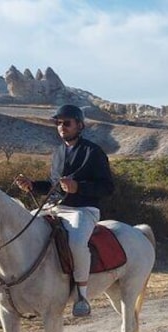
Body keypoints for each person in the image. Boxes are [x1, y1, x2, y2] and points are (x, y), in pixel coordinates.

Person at [14, 104, 114, 317]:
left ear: (80, 125)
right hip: (56, 207)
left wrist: (79, 187)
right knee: (25, 226)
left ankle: (82, 295)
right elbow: (54, 185)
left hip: (83, 210)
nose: (62, 127)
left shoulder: (93, 152)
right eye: (58, 123)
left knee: (76, 243)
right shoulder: (58, 152)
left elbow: (107, 187)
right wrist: (32, 185)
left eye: (66, 123)